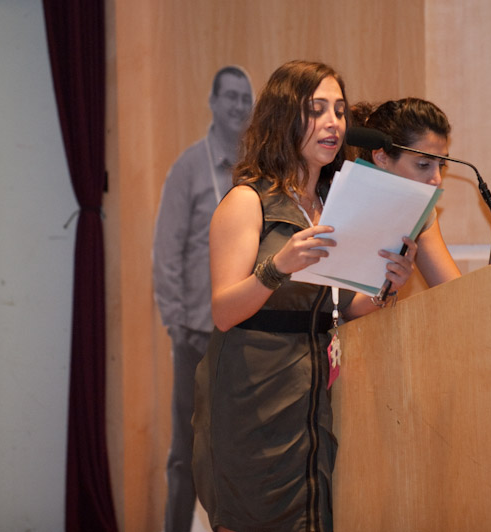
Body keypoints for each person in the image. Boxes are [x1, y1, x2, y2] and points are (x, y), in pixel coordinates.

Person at [191, 60, 417, 532]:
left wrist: (385, 286)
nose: (334, 122)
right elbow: (224, 311)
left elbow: (337, 307)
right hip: (252, 397)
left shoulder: (335, 203)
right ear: (283, 118)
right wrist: (277, 268)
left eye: (339, 110)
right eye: (317, 110)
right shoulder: (247, 201)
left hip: (314, 402)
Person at [152, 65, 253, 532]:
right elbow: (167, 250)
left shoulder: (255, 170)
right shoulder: (189, 168)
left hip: (242, 331)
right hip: (195, 332)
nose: (237, 105)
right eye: (229, 96)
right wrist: (176, 321)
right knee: (184, 451)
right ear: (212, 103)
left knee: (236, 446)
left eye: (244, 98)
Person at [350, 98, 462, 287]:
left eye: (441, 165)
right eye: (423, 164)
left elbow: (455, 293)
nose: (437, 179)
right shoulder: (337, 205)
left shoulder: (419, 210)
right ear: (381, 157)